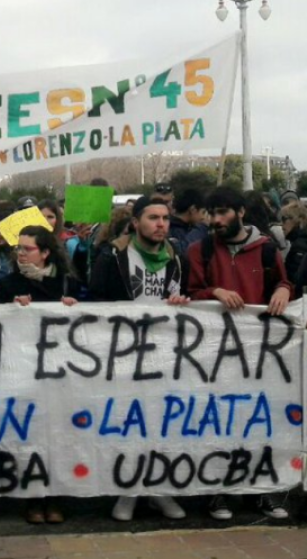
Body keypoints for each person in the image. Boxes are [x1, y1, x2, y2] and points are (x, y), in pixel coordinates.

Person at [187, 187, 292, 521]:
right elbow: (188, 295)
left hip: (261, 355)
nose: (215, 220)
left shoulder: (266, 251)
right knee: (219, 423)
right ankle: (220, 491)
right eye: (211, 214)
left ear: (241, 213)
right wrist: (213, 291)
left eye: (222, 213)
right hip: (213, 357)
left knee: (260, 422)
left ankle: (263, 490)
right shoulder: (199, 250)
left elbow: (284, 282)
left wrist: (282, 291)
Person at [89, 196, 188, 522]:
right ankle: (129, 489)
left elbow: (188, 296)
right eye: (153, 218)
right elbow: (97, 302)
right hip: (122, 355)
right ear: (135, 223)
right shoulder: (113, 256)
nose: (161, 224)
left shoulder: (177, 258)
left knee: (161, 423)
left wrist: (182, 301)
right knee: (130, 423)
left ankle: (159, 489)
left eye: (165, 218)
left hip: (164, 355)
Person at [0, 225, 76, 524]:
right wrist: (12, 309)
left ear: (44, 253)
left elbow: (88, 317)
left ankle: (55, 497)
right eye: (18, 249)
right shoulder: (8, 283)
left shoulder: (66, 283)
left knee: (57, 435)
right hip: (24, 370)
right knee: (29, 433)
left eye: (27, 249)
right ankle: (32, 497)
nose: (20, 254)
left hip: (60, 370)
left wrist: (73, 308)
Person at [168, 188, 209, 255]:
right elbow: (184, 251)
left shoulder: (185, 227)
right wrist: (203, 227)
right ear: (193, 209)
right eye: (203, 212)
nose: (204, 217)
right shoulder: (173, 230)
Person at [281, 202, 307, 297]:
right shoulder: (299, 241)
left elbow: (294, 279)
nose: (281, 224)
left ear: (298, 220)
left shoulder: (299, 245)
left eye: (284, 219)